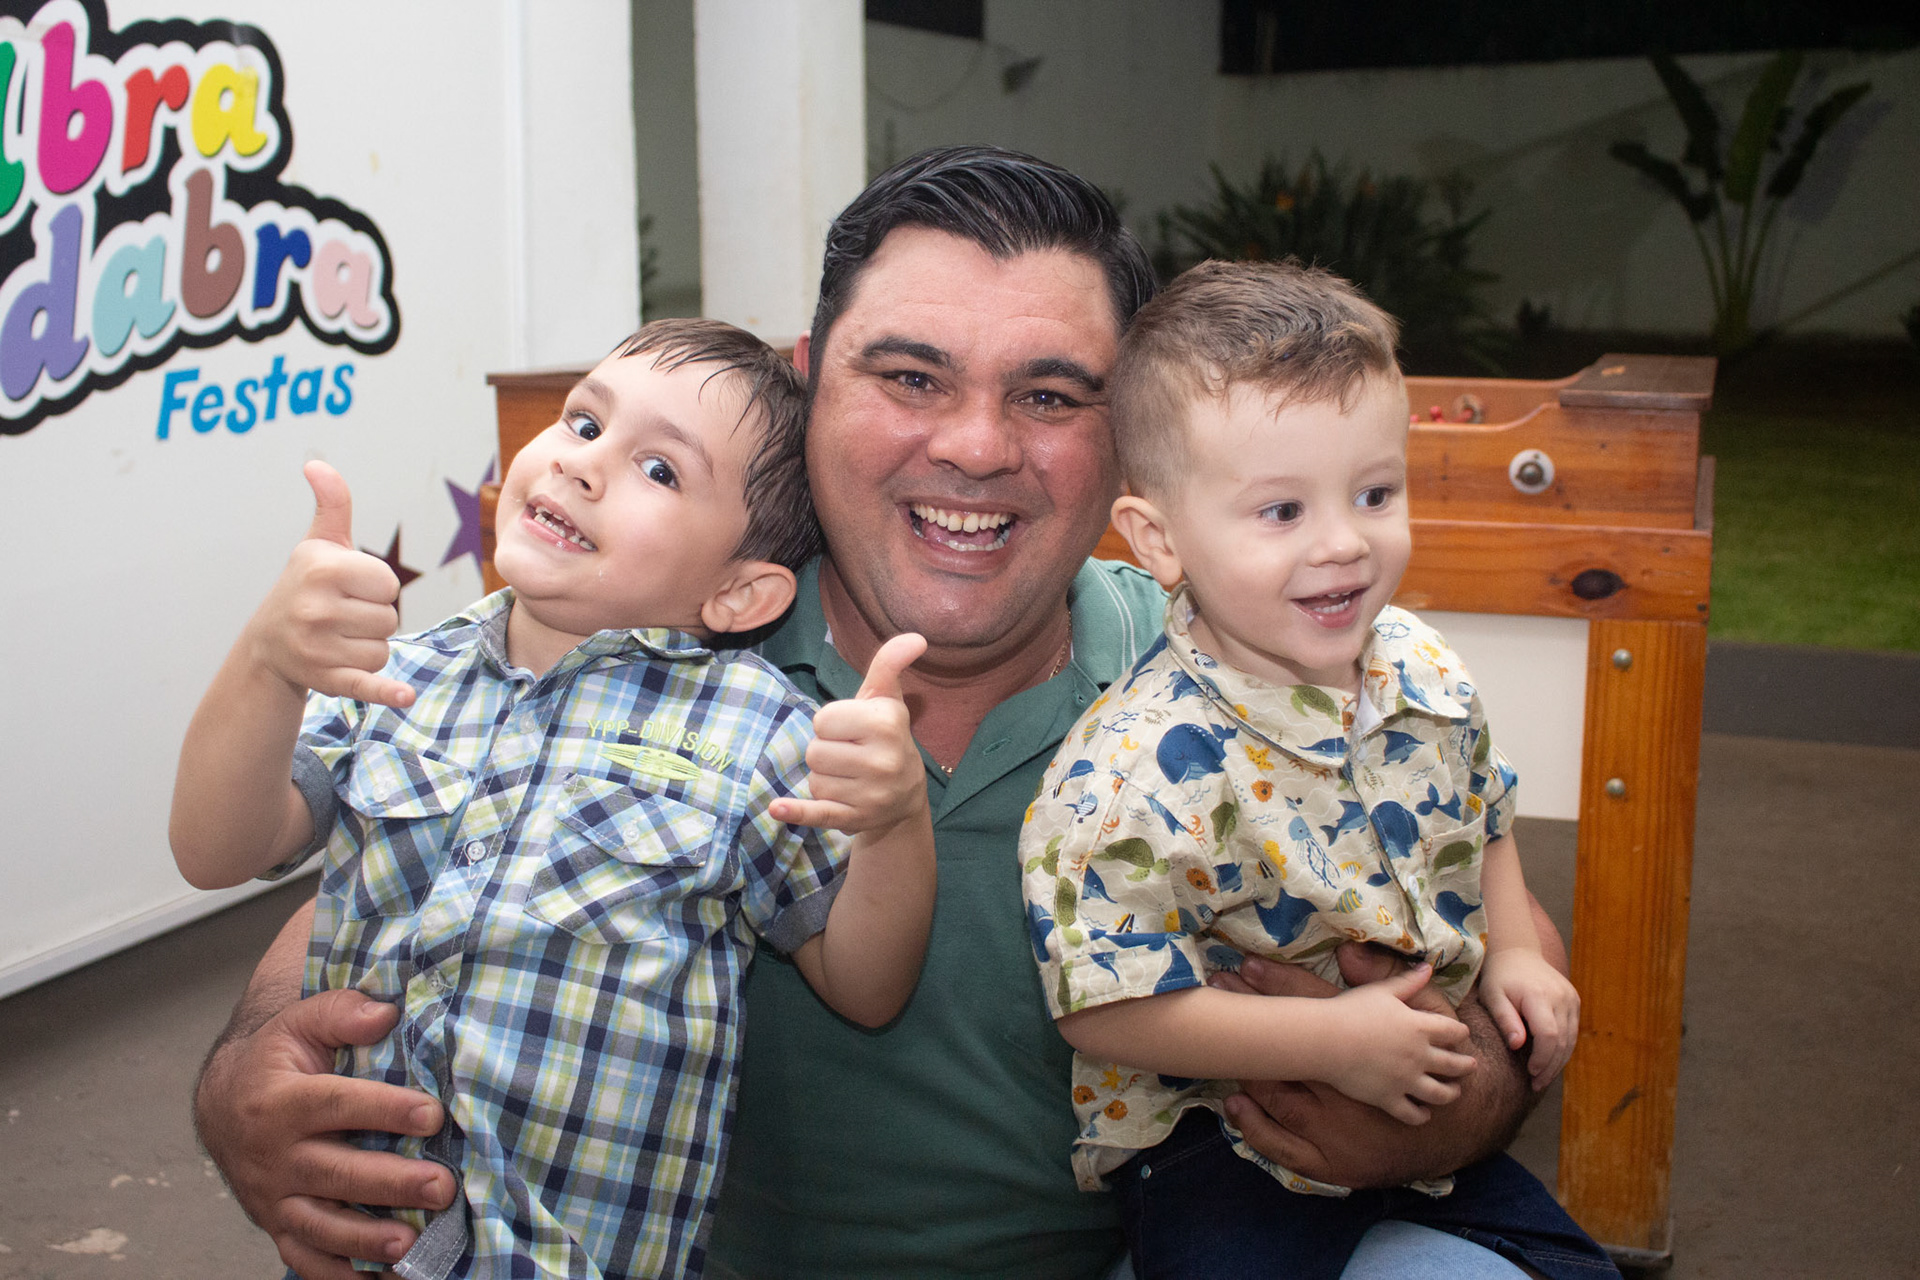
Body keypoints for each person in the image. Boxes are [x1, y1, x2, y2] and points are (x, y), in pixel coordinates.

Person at [193, 148, 1577, 1280]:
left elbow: (1476, 885)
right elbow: (384, 885)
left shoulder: (1238, 663)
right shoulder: (658, 640)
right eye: (910, 378)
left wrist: (1458, 1104)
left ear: (1131, 444)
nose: (974, 446)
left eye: (1049, 395)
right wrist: (254, 1080)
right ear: (810, 385)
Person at [171, 318, 937, 1278]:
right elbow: (215, 850)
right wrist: (268, 662)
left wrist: (895, 822)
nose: (583, 465)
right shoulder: (398, 675)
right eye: (584, 423)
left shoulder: (759, 730)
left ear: (741, 594)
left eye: (659, 470)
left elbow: (867, 983)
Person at [1019, 260, 1615, 1279]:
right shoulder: (1130, 770)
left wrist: (1516, 954)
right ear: (1160, 539)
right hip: (1223, 1133)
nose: (1344, 543)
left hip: (1422, 1094)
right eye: (1281, 511)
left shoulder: (1425, 667)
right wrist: (1332, 1044)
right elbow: (1102, 1003)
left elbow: (1486, 815)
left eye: (1374, 492)